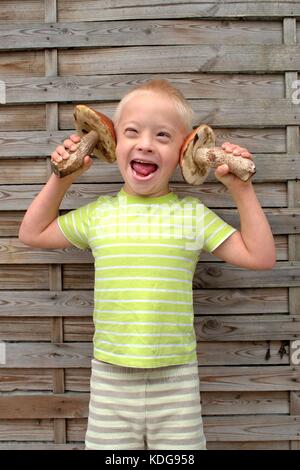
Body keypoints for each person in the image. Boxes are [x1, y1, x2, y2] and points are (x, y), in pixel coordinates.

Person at [19, 79, 276, 450]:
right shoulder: (99, 214)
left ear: (183, 152)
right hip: (110, 379)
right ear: (115, 145)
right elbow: (32, 233)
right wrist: (65, 178)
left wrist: (241, 189)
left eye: (162, 136)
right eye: (132, 132)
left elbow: (261, 256)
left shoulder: (193, 215)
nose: (145, 144)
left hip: (176, 380)